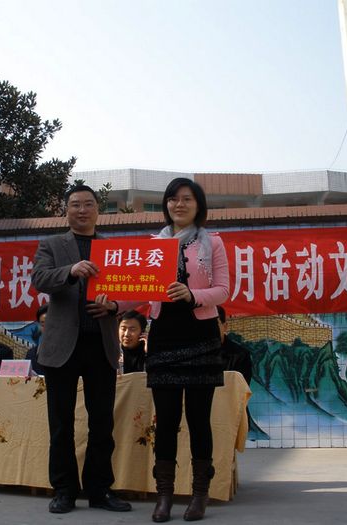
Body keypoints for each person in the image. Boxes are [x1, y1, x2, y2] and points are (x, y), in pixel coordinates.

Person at [32, 184, 132, 514]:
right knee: (61, 424)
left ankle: (100, 489)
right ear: (66, 210)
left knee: (102, 423)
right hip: (62, 345)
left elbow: (128, 289)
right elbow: (40, 278)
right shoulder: (51, 244)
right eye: (75, 204)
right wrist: (71, 272)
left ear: (98, 210)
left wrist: (114, 306)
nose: (82, 210)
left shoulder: (113, 249)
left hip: (100, 344)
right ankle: (64, 490)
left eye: (88, 204)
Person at [145, 177, 229, 523]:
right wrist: (113, 304)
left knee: (198, 419)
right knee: (165, 420)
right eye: (173, 199)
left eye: (187, 199)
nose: (179, 205)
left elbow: (223, 290)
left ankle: (199, 494)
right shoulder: (153, 246)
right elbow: (140, 289)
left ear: (198, 205)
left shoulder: (213, 242)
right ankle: (164, 495)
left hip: (200, 335)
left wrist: (194, 295)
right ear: (166, 205)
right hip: (163, 337)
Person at [217, 306, 252, 385]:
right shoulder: (195, 355)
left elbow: (241, 389)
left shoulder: (241, 355)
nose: (209, 330)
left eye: (214, 325)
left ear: (225, 326)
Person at [25, 304, 48, 376]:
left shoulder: (67, 353)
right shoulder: (31, 354)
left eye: (50, 323)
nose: (47, 328)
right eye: (43, 324)